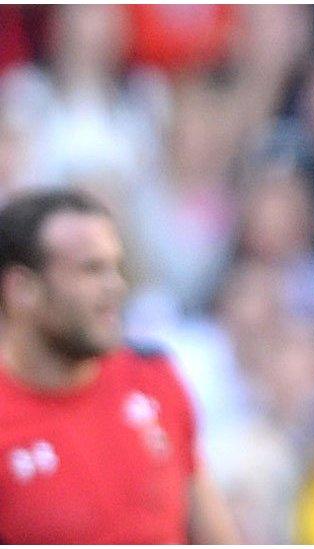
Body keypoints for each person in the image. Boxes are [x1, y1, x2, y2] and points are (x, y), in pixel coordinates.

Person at [0, 189, 238, 543]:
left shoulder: (153, 378)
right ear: (22, 290)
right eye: (91, 270)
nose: (116, 287)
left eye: (116, 267)